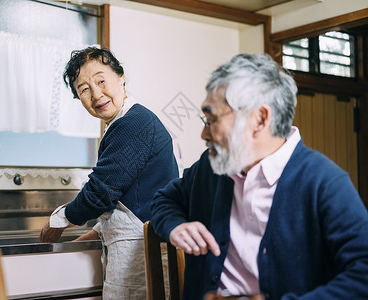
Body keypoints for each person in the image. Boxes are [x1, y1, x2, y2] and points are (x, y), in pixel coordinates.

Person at [150, 54, 368, 300]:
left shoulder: (325, 183)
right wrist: (175, 225)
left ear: (260, 119)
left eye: (212, 120)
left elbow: (363, 274)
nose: (203, 133)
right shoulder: (211, 167)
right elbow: (164, 199)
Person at [39, 47, 178, 299]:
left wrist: (57, 221)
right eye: (83, 89)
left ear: (121, 76)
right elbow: (129, 196)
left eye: (101, 81)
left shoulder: (133, 123)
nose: (96, 94)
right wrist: (96, 232)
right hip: (138, 246)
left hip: (141, 249)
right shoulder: (126, 122)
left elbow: (99, 193)